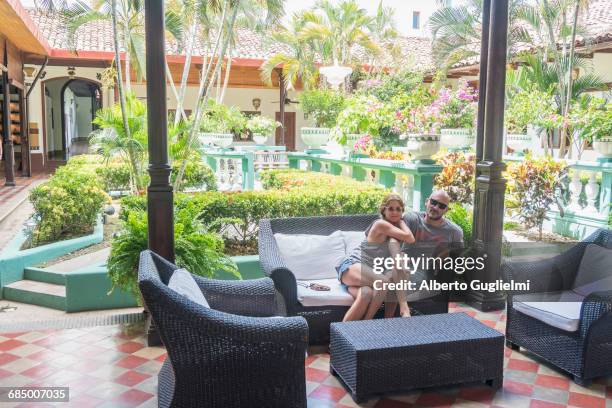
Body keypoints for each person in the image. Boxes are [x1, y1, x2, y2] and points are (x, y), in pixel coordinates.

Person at [335, 193, 415, 321]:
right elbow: (410, 238)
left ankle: (386, 321)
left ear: (402, 211)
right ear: (383, 209)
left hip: (368, 274)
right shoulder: (380, 224)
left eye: (398, 209)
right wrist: (401, 221)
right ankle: (369, 322)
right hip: (352, 265)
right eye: (391, 208)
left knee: (366, 294)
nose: (394, 212)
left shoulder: (393, 235)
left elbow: (397, 256)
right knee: (383, 282)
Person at [385, 189, 464, 316]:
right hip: (400, 265)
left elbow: (458, 258)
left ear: (446, 210)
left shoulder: (454, 232)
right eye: (433, 202)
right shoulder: (412, 219)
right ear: (427, 202)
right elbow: (393, 241)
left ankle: (393, 319)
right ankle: (401, 313)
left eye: (442, 206)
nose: (436, 207)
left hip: (424, 272)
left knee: (391, 283)